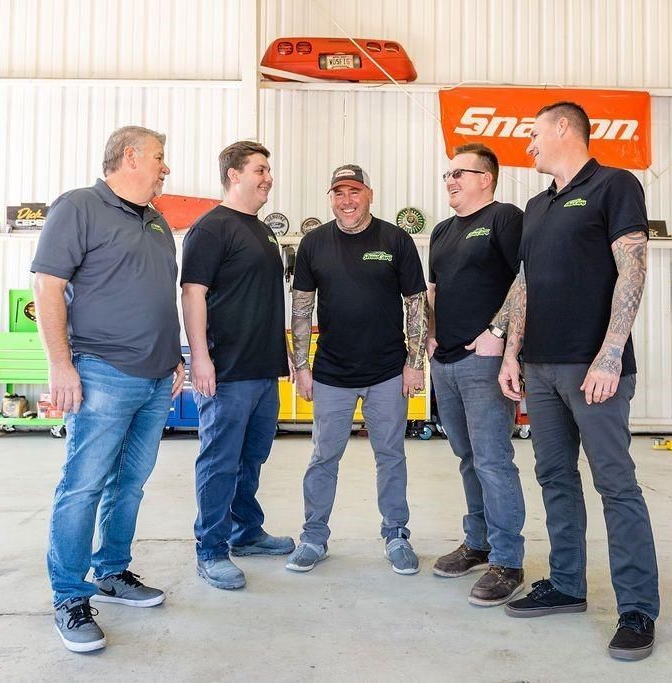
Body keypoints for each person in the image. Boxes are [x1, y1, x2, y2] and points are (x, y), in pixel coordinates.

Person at [498, 101, 659, 661]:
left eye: (535, 134)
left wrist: (611, 352)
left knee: (616, 484)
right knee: (554, 477)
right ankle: (566, 583)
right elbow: (525, 282)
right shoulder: (537, 205)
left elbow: (633, 268)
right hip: (539, 368)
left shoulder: (615, 185)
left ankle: (638, 606)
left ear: (564, 128)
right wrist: (511, 353)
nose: (530, 145)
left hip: (594, 368)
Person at [33, 125, 185, 653]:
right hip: (101, 371)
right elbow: (48, 285)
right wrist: (60, 364)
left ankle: (112, 571)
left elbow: (156, 295)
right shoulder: (78, 207)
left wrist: (175, 360)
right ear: (130, 157)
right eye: (159, 158)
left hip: (156, 377)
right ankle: (70, 596)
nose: (165, 167)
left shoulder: (159, 221)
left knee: (131, 483)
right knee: (84, 484)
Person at [283, 165, 428, 575]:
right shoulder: (314, 243)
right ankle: (313, 536)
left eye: (354, 192)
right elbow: (300, 308)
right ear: (331, 198)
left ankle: (396, 534)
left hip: (386, 372)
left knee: (390, 456)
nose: (346, 200)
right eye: (338, 193)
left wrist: (414, 364)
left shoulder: (396, 239)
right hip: (331, 373)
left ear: (369, 194)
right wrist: (302, 365)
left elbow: (416, 302)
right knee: (323, 457)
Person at [180, 140, 295, 591]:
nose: (268, 177)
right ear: (234, 175)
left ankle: (245, 531)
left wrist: (281, 350)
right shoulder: (212, 228)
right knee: (219, 461)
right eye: (260, 170)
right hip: (226, 370)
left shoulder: (261, 229)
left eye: (268, 170)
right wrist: (200, 358)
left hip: (263, 368)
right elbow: (193, 294)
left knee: (252, 458)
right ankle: (210, 550)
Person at [427, 143, 527, 607]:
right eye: (448, 174)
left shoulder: (505, 218)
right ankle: (479, 542)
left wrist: (499, 333)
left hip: (484, 360)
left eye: (459, 173)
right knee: (467, 457)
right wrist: (426, 336)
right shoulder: (443, 230)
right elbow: (434, 291)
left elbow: (525, 280)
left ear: (485, 178)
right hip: (444, 361)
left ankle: (508, 561)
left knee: (492, 459)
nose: (450, 180)